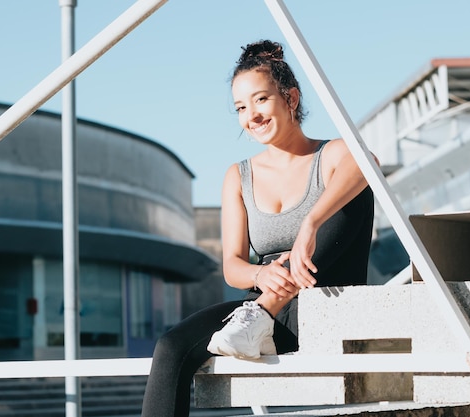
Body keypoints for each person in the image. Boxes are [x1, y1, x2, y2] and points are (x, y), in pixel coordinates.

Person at [140, 40, 375, 417]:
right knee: (171, 347)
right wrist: (262, 272)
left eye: (261, 100)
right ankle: (260, 314)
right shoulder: (238, 175)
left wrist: (309, 224)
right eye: (240, 107)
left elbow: (368, 163)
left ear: (291, 98)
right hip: (259, 320)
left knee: (351, 194)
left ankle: (261, 313)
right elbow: (233, 266)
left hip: (326, 301)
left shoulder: (330, 154)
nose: (251, 114)